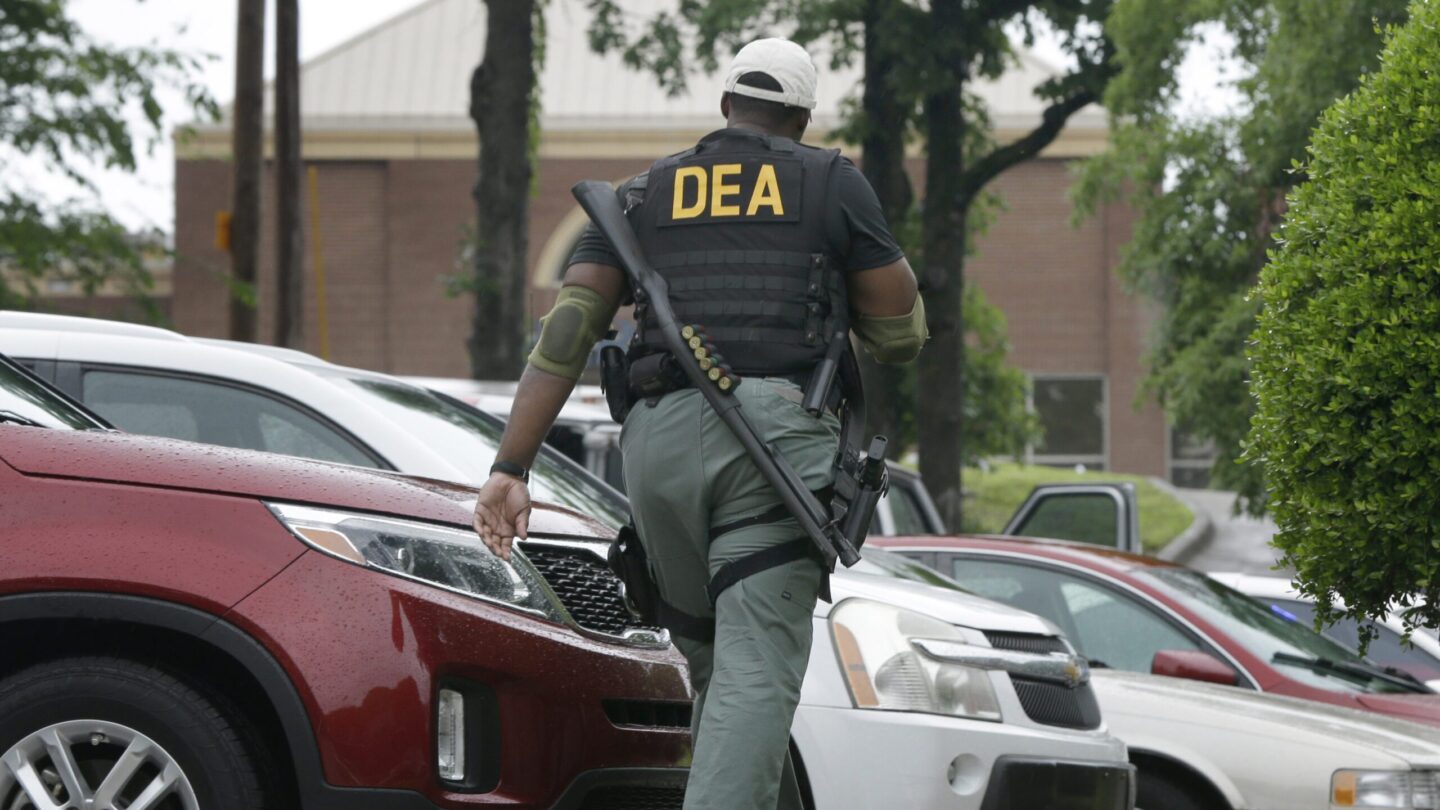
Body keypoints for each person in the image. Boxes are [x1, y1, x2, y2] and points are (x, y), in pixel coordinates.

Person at [472, 37, 926, 810]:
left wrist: (509, 468)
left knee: (721, 672)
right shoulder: (831, 184)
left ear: (725, 107)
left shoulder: (641, 197)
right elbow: (901, 333)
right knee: (753, 676)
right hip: (774, 456)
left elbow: (566, 335)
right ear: (803, 118)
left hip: (658, 453)